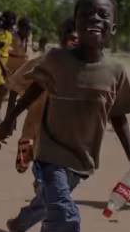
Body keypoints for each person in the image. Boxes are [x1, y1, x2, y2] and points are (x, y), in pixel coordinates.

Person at [0, 0, 130, 232]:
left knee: (50, 203)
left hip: (82, 160)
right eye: (87, 13)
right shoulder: (58, 59)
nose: (94, 19)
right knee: (65, 215)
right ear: (75, 23)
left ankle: (19, 225)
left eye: (103, 15)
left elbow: (118, 116)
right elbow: (35, 87)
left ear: (113, 27)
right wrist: (10, 119)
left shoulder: (115, 72)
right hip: (50, 153)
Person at [6, 18, 79, 173]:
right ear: (61, 37)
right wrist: (9, 118)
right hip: (36, 122)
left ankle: (41, 186)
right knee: (45, 170)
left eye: (78, 38)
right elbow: (15, 85)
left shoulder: (87, 69)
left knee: (49, 171)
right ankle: (27, 147)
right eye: (70, 36)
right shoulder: (42, 61)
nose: (74, 41)